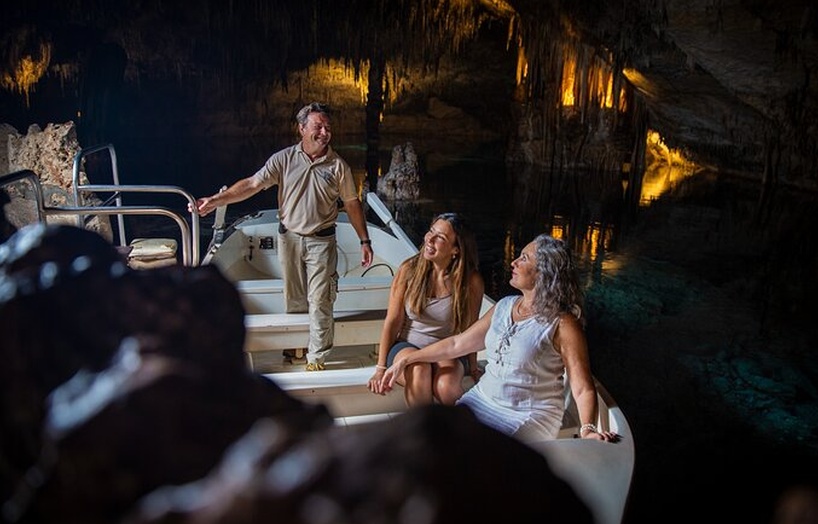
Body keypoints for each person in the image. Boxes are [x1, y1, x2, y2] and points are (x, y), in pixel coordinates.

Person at [380, 234, 619, 443]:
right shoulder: (505, 306)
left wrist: (587, 429)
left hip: (529, 414)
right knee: (438, 442)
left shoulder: (563, 323)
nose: (513, 262)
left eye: (524, 258)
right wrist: (406, 360)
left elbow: (582, 387)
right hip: (482, 399)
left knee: (480, 458)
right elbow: (457, 343)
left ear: (544, 273)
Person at [189, 102, 373, 371]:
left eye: (327, 127)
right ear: (301, 129)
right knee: (295, 298)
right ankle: (296, 347)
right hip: (289, 239)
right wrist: (216, 200)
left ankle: (317, 357)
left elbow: (352, 203)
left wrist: (364, 240)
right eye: (318, 126)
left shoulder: (338, 167)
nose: (324, 132)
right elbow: (252, 184)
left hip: (322, 241)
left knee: (321, 299)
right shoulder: (283, 159)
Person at [367, 212, 484, 406]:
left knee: (446, 386)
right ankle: (423, 433)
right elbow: (393, 320)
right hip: (406, 345)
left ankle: (468, 432)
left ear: (456, 249)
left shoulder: (470, 281)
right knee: (420, 370)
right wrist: (380, 368)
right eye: (431, 232)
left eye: (440, 237)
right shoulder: (409, 270)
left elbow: (471, 329)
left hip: (446, 350)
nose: (430, 239)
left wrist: (473, 367)